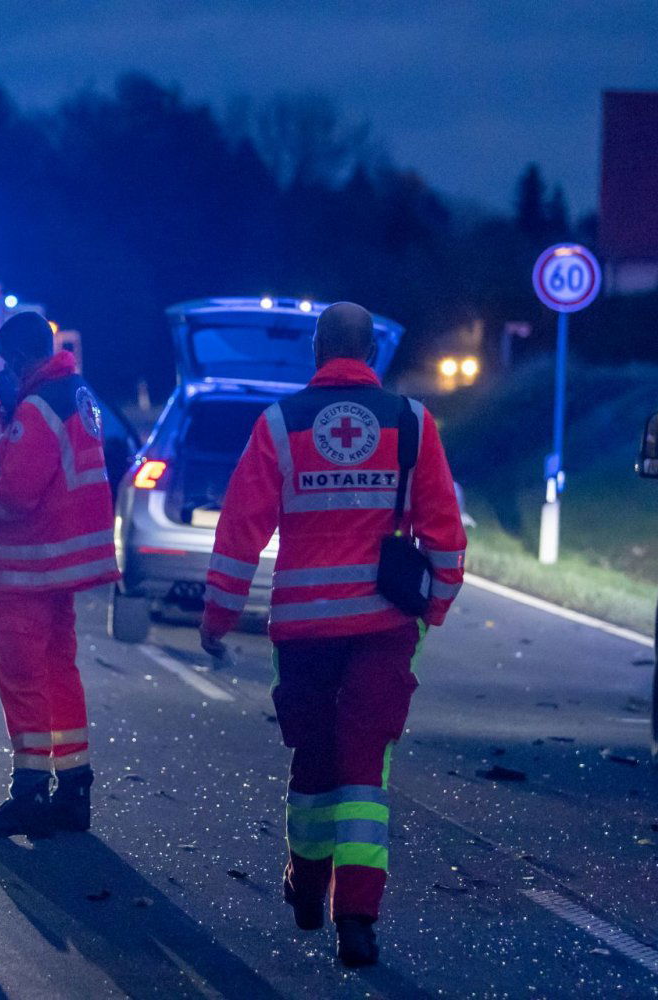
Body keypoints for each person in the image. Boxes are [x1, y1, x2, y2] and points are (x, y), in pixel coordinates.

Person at [199, 302, 466, 968]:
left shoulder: (279, 426)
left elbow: (241, 531)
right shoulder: (411, 423)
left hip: (303, 630)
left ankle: (308, 886)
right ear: (372, 352)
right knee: (363, 770)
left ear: (316, 351)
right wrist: (432, 609)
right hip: (382, 628)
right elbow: (445, 534)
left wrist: (218, 616)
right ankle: (358, 921)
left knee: (312, 760)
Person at [0, 311, 119, 838]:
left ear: (17, 357)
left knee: (23, 675)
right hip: (64, 563)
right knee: (58, 671)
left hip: (33, 562)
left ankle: (28, 794)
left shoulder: (38, 404)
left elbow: (17, 491)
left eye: (8, 361)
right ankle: (74, 791)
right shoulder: (75, 392)